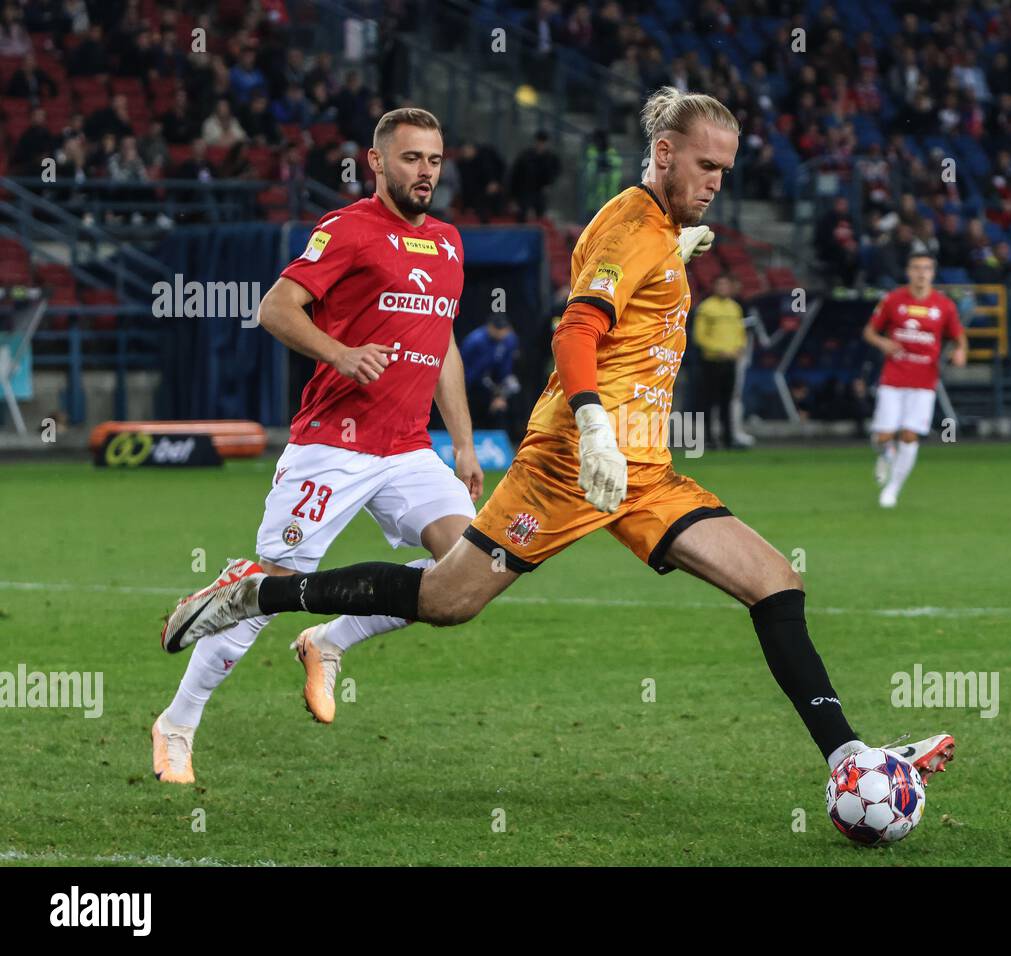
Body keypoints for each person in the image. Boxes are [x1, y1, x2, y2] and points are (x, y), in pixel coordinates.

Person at [160, 88, 956, 802]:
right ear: (665, 153)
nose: (717, 183)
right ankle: (257, 595)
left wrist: (671, 261)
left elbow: (592, 297)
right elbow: (577, 329)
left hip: (643, 470)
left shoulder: (652, 232)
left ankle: (850, 758)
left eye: (727, 169)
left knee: (776, 582)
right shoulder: (627, 224)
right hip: (573, 462)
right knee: (448, 600)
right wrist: (592, 424)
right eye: (706, 166)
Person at [151, 108, 484, 784]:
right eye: (412, 158)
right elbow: (276, 307)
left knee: (472, 571)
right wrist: (342, 352)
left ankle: (330, 640)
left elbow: (443, 342)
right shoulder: (348, 230)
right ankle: (177, 724)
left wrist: (465, 443)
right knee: (267, 591)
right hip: (332, 445)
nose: (425, 172)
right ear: (378, 162)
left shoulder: (448, 241)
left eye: (434, 160)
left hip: (408, 448)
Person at [862, 251, 967, 509]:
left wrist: (961, 350)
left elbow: (958, 335)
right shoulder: (893, 300)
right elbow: (869, 331)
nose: (921, 273)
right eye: (917, 268)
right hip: (893, 377)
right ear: (909, 271)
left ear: (932, 273)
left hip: (924, 382)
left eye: (927, 268)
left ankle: (892, 490)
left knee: (909, 435)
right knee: (883, 435)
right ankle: (886, 454)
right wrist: (883, 342)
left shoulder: (944, 306)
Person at [692, 274, 746, 449]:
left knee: (727, 402)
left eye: (726, 285)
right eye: (720, 285)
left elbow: (740, 332)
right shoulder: (706, 308)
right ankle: (709, 439)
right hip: (712, 360)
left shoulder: (735, 308)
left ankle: (728, 438)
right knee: (709, 401)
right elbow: (699, 336)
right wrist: (718, 350)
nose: (723, 288)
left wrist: (739, 348)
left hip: (730, 360)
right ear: (714, 287)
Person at [459, 315, 520, 431]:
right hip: (472, 383)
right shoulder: (474, 341)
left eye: (503, 329)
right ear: (490, 327)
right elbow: (464, 367)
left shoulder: (510, 340)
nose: (500, 332)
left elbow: (506, 370)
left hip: (494, 382)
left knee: (510, 396)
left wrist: (500, 395)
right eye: (497, 328)